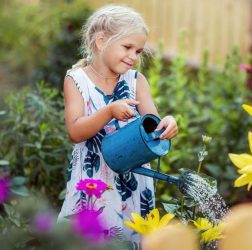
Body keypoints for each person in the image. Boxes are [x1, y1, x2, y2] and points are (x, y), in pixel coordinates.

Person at [58, 4, 178, 244]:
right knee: (92, 240)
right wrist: (109, 111)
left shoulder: (136, 81)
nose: (133, 56)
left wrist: (167, 124)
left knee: (130, 237)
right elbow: (75, 131)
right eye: (127, 47)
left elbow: (152, 126)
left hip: (133, 181)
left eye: (139, 50)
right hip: (95, 179)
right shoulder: (76, 80)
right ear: (101, 41)